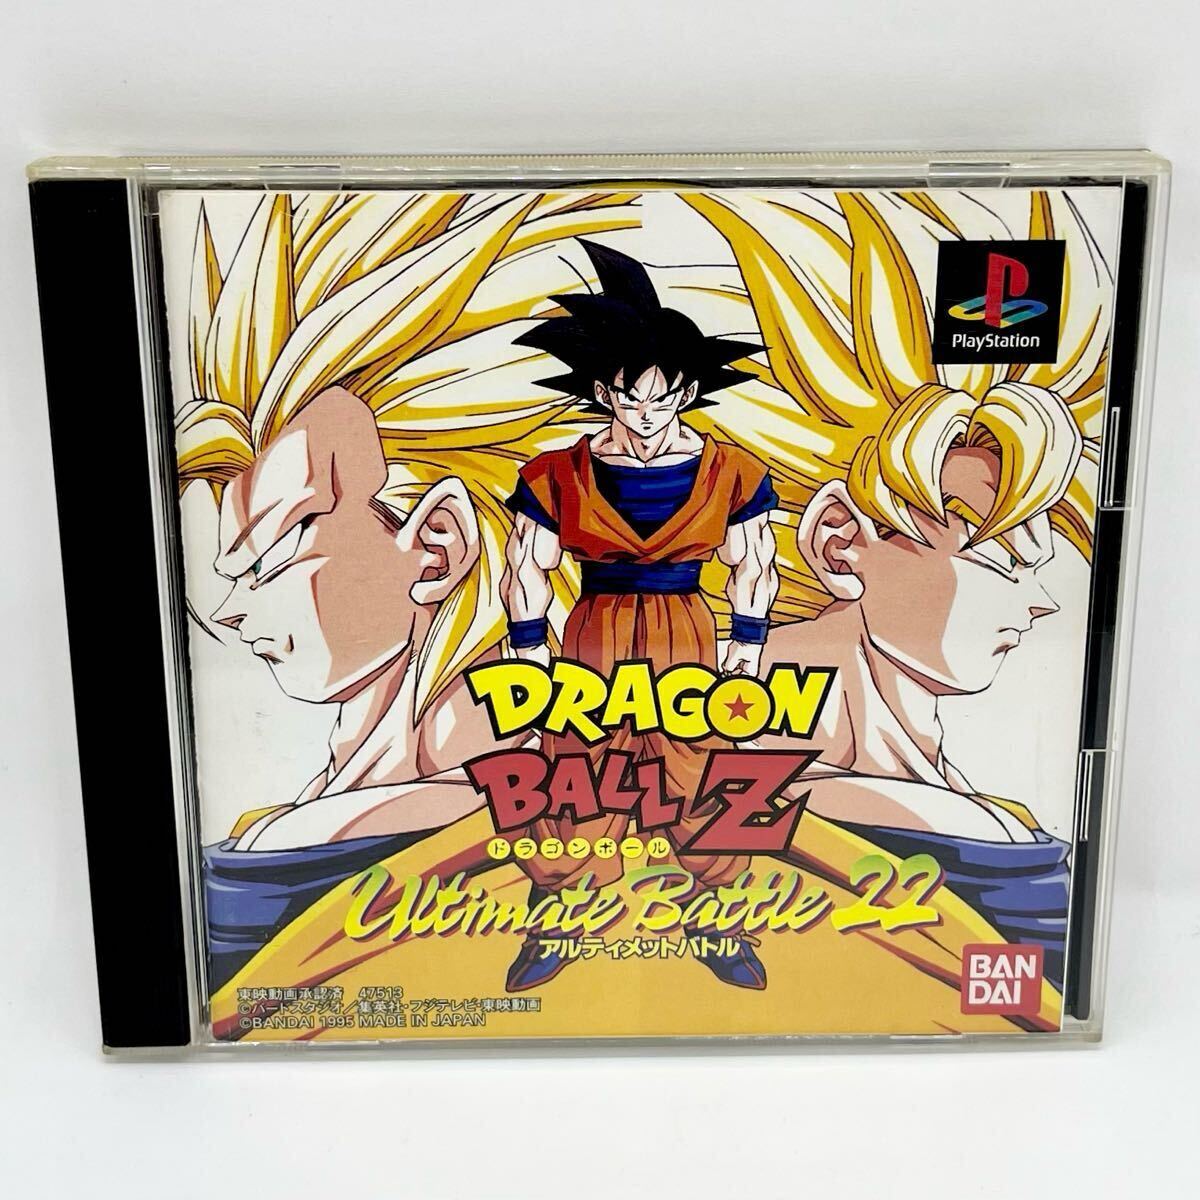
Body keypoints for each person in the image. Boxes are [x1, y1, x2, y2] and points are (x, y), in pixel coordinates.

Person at [176, 190, 640, 987]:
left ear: (435, 547)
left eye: (267, 561)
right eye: (223, 572)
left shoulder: (484, 747)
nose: (228, 610)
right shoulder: (351, 772)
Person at [497, 240, 781, 991]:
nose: (647, 414)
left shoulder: (733, 471)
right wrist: (528, 654)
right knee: (577, 768)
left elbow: (755, 563)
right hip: (593, 632)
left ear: (687, 392)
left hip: (687, 633)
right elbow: (526, 565)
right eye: (630, 397)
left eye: (663, 397)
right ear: (604, 393)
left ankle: (717, 920)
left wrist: (749, 647)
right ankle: (559, 917)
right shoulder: (556, 473)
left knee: (697, 768)